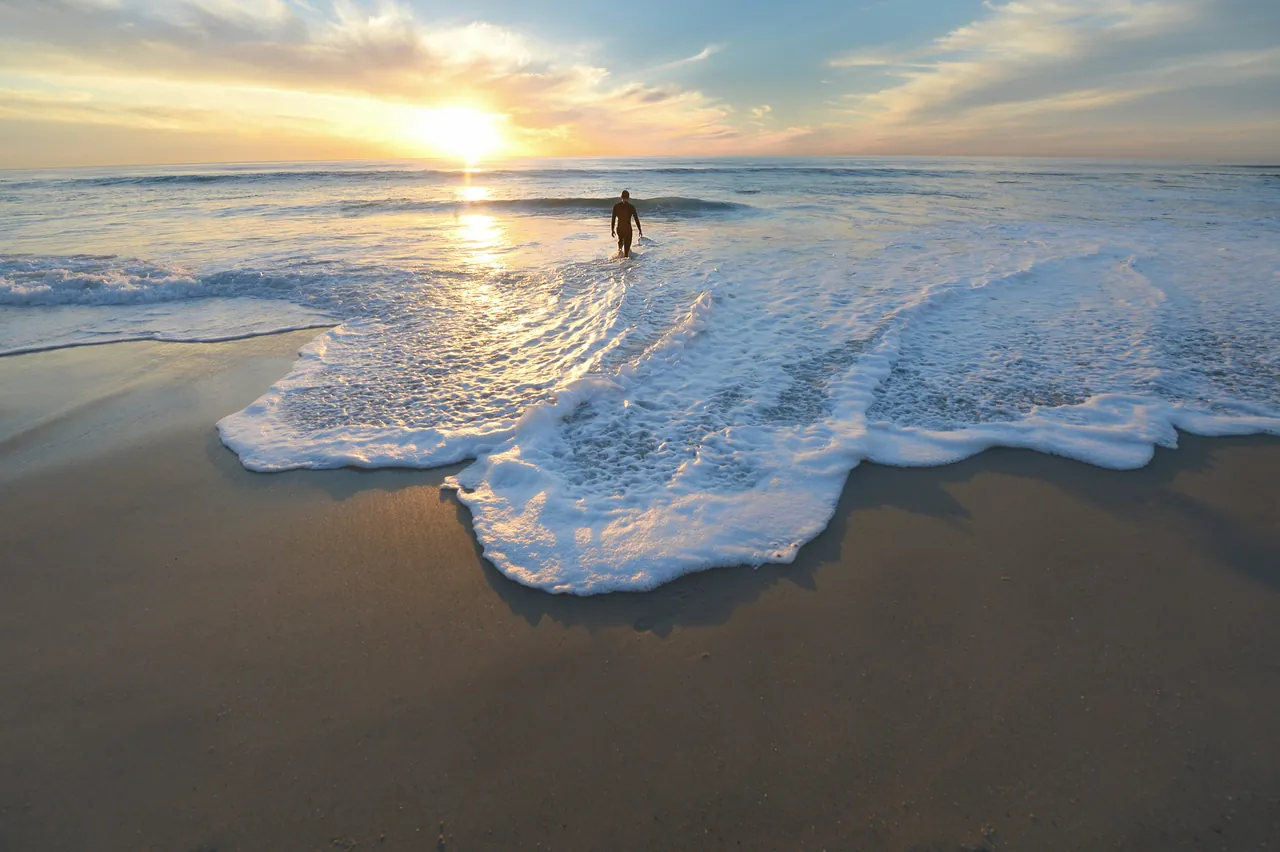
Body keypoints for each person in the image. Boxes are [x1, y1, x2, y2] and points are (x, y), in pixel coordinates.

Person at [611, 190, 643, 258]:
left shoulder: (616, 206)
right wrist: (639, 230)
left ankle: (619, 258)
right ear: (628, 198)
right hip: (627, 229)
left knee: (620, 242)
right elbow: (636, 219)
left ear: (621, 197)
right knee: (626, 250)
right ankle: (625, 263)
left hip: (619, 228)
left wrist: (612, 229)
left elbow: (613, 219)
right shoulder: (631, 207)